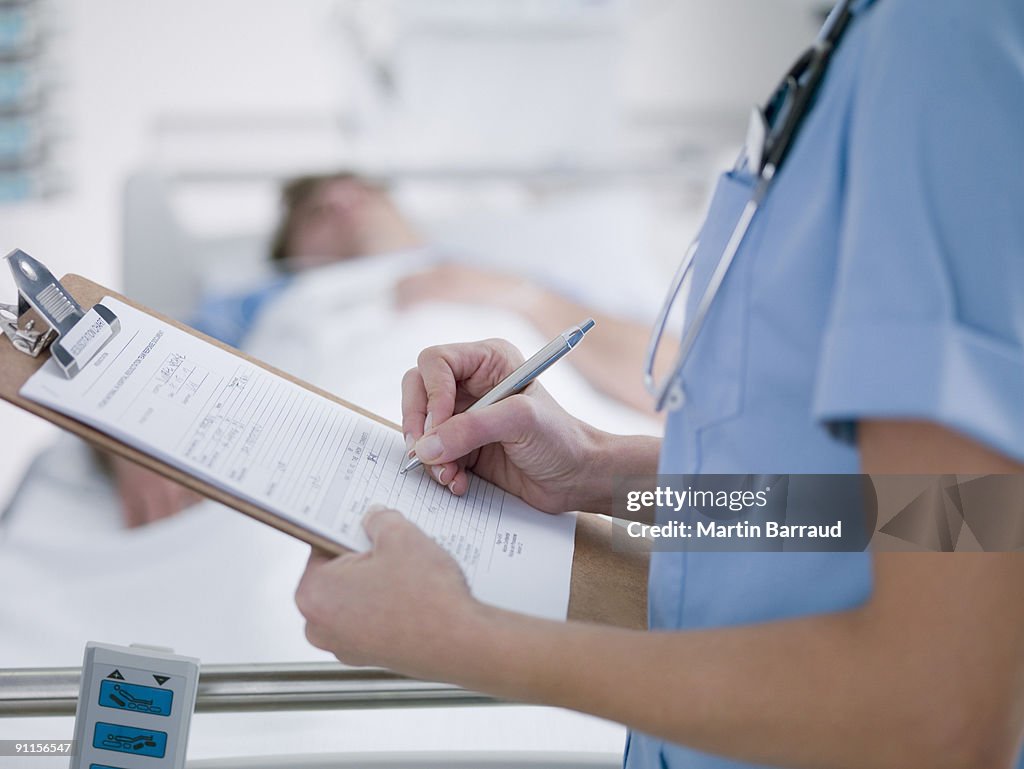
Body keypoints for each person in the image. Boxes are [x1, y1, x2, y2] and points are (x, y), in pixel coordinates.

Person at [293, 2, 1024, 768]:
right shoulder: (875, 48)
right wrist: (607, 472)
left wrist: (465, 638)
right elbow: (926, 511)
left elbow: (939, 716)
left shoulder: (943, 41)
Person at [110, 172, 668, 527]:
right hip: (303, 470)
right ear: (292, 251)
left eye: (360, 191)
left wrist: (520, 296)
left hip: (554, 487)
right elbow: (138, 359)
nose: (340, 201)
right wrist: (126, 435)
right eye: (317, 213)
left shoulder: (502, 276)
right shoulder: (267, 300)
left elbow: (674, 378)